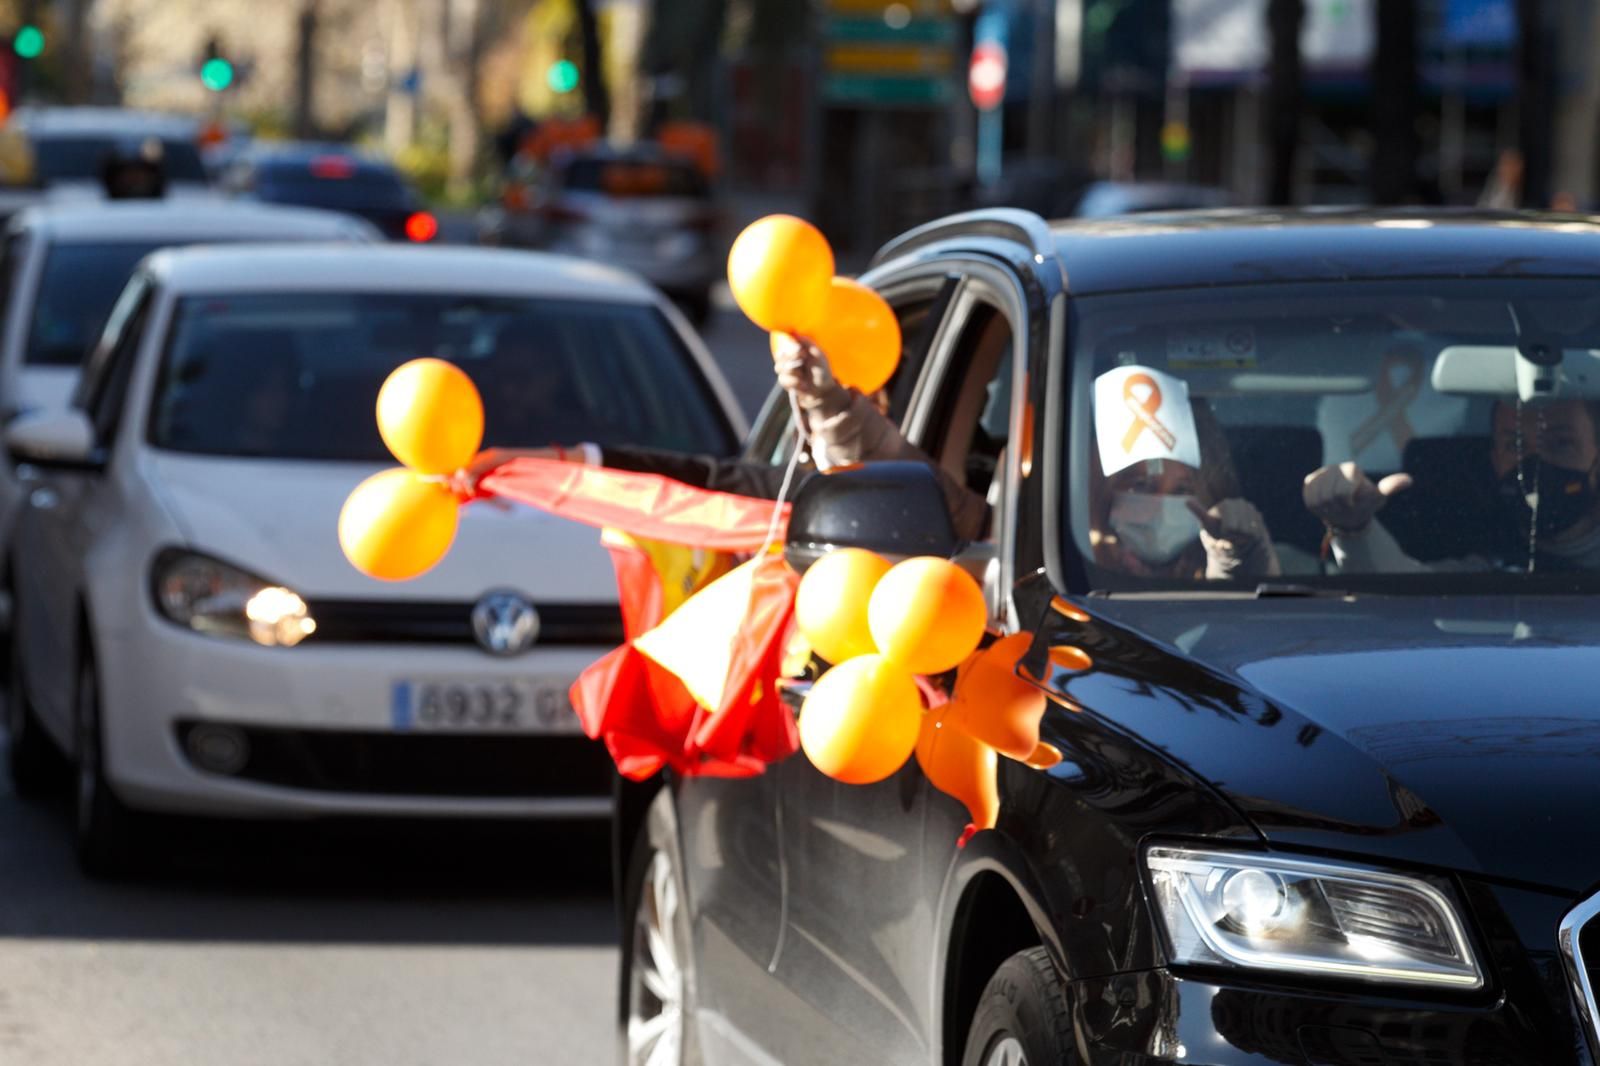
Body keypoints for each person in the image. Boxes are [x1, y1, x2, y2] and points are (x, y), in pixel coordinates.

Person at [456, 334, 989, 540]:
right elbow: (697, 486)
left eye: (874, 403)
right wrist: (539, 465)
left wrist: (832, 406)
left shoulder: (1001, 531)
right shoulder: (797, 498)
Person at [1303, 397, 1600, 572]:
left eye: (1561, 443)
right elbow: (1404, 588)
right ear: (1496, 461)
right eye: (1516, 445)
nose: (1535, 464)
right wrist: (1354, 528)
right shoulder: (1491, 563)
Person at [1089, 382, 1280, 581]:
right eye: (1140, 486)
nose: (1160, 512)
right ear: (1100, 491)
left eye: (1182, 490)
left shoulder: (1285, 565)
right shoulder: (1070, 573)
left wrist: (1236, 561)